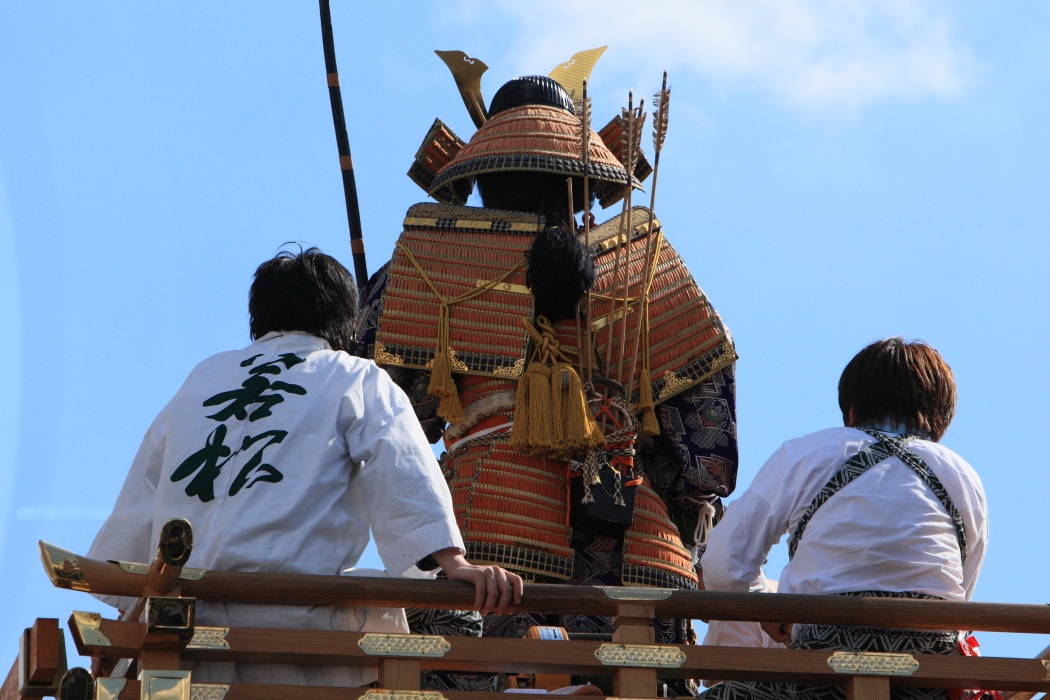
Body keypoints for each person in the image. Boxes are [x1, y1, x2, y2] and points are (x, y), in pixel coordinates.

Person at [357, 52, 738, 695]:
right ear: (586, 182)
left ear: (482, 175)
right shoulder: (644, 269)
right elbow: (709, 464)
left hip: (482, 537)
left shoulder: (422, 261)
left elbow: (385, 423)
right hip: (627, 547)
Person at [87, 247, 523, 687]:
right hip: (293, 622)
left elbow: (143, 491)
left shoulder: (205, 377)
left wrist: (129, 616)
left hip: (178, 622)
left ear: (258, 316)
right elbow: (401, 466)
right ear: (343, 320)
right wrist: (454, 563)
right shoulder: (356, 375)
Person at [699, 337, 989, 700]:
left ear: (851, 410)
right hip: (927, 678)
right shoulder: (963, 476)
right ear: (939, 419)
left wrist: (772, 613)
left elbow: (723, 566)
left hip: (822, 671)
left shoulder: (807, 452)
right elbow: (961, 598)